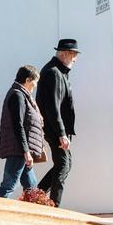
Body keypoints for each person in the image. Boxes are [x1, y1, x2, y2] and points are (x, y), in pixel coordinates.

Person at [36, 38, 79, 207]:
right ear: (64, 54)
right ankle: (53, 205)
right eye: (73, 55)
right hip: (55, 129)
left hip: (57, 128)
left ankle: (37, 195)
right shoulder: (54, 72)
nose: (75, 59)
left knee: (64, 163)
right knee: (63, 164)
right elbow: (53, 107)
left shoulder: (59, 72)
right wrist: (61, 133)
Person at [0, 65, 45, 198]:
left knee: (32, 187)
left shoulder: (22, 95)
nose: (35, 85)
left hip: (20, 150)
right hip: (18, 150)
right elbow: (18, 125)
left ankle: (34, 208)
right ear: (28, 80)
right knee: (9, 185)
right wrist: (26, 151)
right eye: (35, 81)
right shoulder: (18, 95)